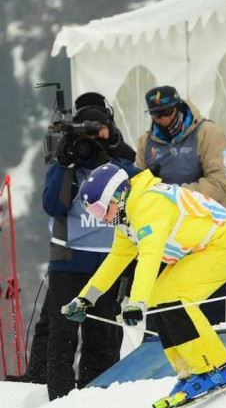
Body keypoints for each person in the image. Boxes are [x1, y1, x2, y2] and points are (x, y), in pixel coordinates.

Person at [61, 163, 226, 405]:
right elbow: (116, 260)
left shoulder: (148, 204)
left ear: (117, 195)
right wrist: (85, 298)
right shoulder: (127, 217)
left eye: (100, 210)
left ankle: (216, 366)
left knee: (174, 295)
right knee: (159, 297)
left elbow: (150, 254)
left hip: (223, 244)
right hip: (200, 249)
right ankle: (190, 369)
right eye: (94, 214)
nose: (102, 219)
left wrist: (137, 301)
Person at [15, 93, 137, 400]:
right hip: (69, 260)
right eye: (87, 132)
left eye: (99, 130)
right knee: (63, 334)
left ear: (110, 128)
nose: (93, 139)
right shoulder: (66, 162)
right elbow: (52, 205)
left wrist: (106, 162)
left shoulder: (121, 162)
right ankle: (61, 398)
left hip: (110, 260)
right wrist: (65, 161)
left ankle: (97, 396)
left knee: (103, 335)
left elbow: (139, 188)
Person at [135, 85, 226, 325]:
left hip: (205, 238)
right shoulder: (146, 142)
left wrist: (173, 196)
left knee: (207, 318)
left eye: (167, 112)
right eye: (157, 115)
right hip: (166, 241)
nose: (163, 119)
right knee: (162, 318)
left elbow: (219, 184)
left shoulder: (208, 133)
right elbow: (137, 189)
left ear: (178, 108)